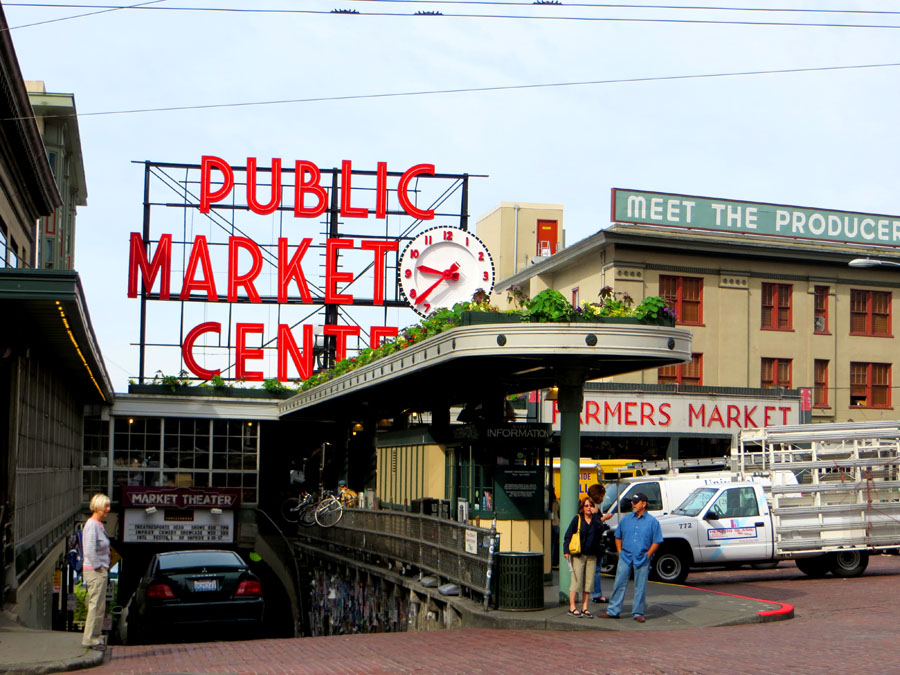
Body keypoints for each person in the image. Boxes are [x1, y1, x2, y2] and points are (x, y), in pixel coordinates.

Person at [602, 492, 663, 623]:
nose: (633, 504)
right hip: (626, 556)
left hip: (642, 557)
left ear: (644, 504)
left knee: (640, 586)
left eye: (636, 502)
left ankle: (638, 613)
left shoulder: (653, 522)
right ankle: (613, 610)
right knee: (619, 583)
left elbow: (657, 541)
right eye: (632, 502)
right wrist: (620, 552)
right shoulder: (626, 519)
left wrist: (648, 555)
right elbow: (618, 537)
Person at [562, 496, 606, 618]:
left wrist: (597, 516)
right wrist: (566, 551)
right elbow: (568, 535)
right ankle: (572, 607)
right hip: (579, 555)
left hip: (592, 555)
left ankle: (585, 607)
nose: (588, 508)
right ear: (582, 507)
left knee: (588, 583)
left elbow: (601, 529)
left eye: (591, 506)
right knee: (576, 582)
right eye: (586, 506)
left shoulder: (595, 520)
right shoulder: (577, 519)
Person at [81, 493, 111, 649]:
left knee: (99, 606)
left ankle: (95, 636)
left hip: (99, 569)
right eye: (106, 506)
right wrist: (99, 567)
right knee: (95, 605)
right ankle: (90, 638)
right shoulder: (92, 525)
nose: (108, 509)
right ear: (98, 506)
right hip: (95, 571)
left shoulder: (98, 525)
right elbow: (89, 550)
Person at [586, 483, 614, 603]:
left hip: (592, 542)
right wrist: (604, 519)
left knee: (594, 569)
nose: (603, 498)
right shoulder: (591, 507)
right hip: (593, 543)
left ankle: (594, 593)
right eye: (602, 495)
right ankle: (596, 594)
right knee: (596, 570)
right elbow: (593, 523)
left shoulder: (587, 504)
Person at [549, 485, 560, 569]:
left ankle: (548, 562)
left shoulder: (546, 501)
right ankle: (552, 562)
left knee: (548, 545)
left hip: (549, 524)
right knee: (553, 545)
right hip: (556, 524)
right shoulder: (557, 502)